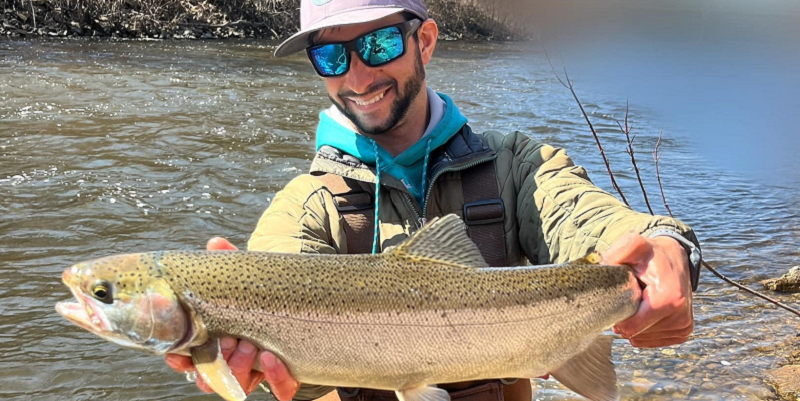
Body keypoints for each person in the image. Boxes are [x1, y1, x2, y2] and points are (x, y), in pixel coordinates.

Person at [166, 0, 702, 400]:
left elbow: (585, 217)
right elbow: (288, 349)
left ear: (424, 40)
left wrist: (665, 249)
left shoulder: (514, 165)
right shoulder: (305, 206)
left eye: (378, 44)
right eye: (330, 55)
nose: (357, 75)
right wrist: (244, 359)